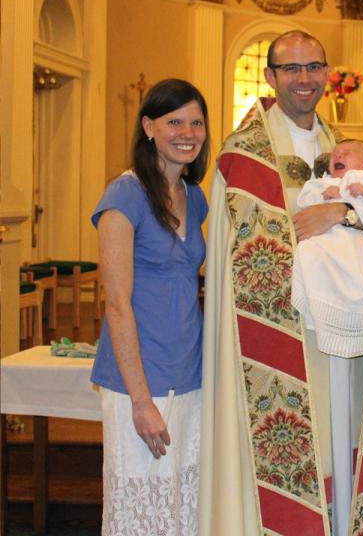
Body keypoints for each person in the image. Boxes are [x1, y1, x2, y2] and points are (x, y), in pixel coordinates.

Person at [200, 31, 363, 536]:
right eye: (291, 68)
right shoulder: (243, 158)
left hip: (347, 336)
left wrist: (344, 212)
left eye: (314, 67)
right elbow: (239, 254)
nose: (304, 78)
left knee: (343, 448)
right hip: (280, 335)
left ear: (327, 75)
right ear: (270, 76)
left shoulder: (342, 149)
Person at [91, 78, 210, 535]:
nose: (187, 133)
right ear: (148, 127)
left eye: (196, 122)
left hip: (191, 373)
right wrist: (140, 401)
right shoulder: (124, 196)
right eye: (174, 122)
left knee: (184, 506)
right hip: (139, 379)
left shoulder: (194, 197)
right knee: (143, 512)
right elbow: (117, 304)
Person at [292, 138, 363, 357]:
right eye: (336, 153)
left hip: (360, 239)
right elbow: (305, 198)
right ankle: (320, 313)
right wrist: (325, 193)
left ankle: (352, 321)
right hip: (326, 240)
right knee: (310, 255)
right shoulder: (324, 182)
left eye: (348, 152)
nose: (339, 155)